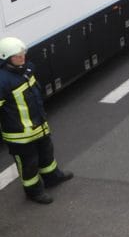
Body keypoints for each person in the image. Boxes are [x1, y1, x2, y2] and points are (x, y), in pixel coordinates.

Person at [0, 37, 74, 204]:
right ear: (6, 58)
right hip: (20, 135)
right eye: (17, 55)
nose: (22, 57)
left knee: (46, 153)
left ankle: (52, 177)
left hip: (38, 126)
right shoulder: (2, 81)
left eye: (22, 53)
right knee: (29, 164)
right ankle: (34, 191)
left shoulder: (26, 70)